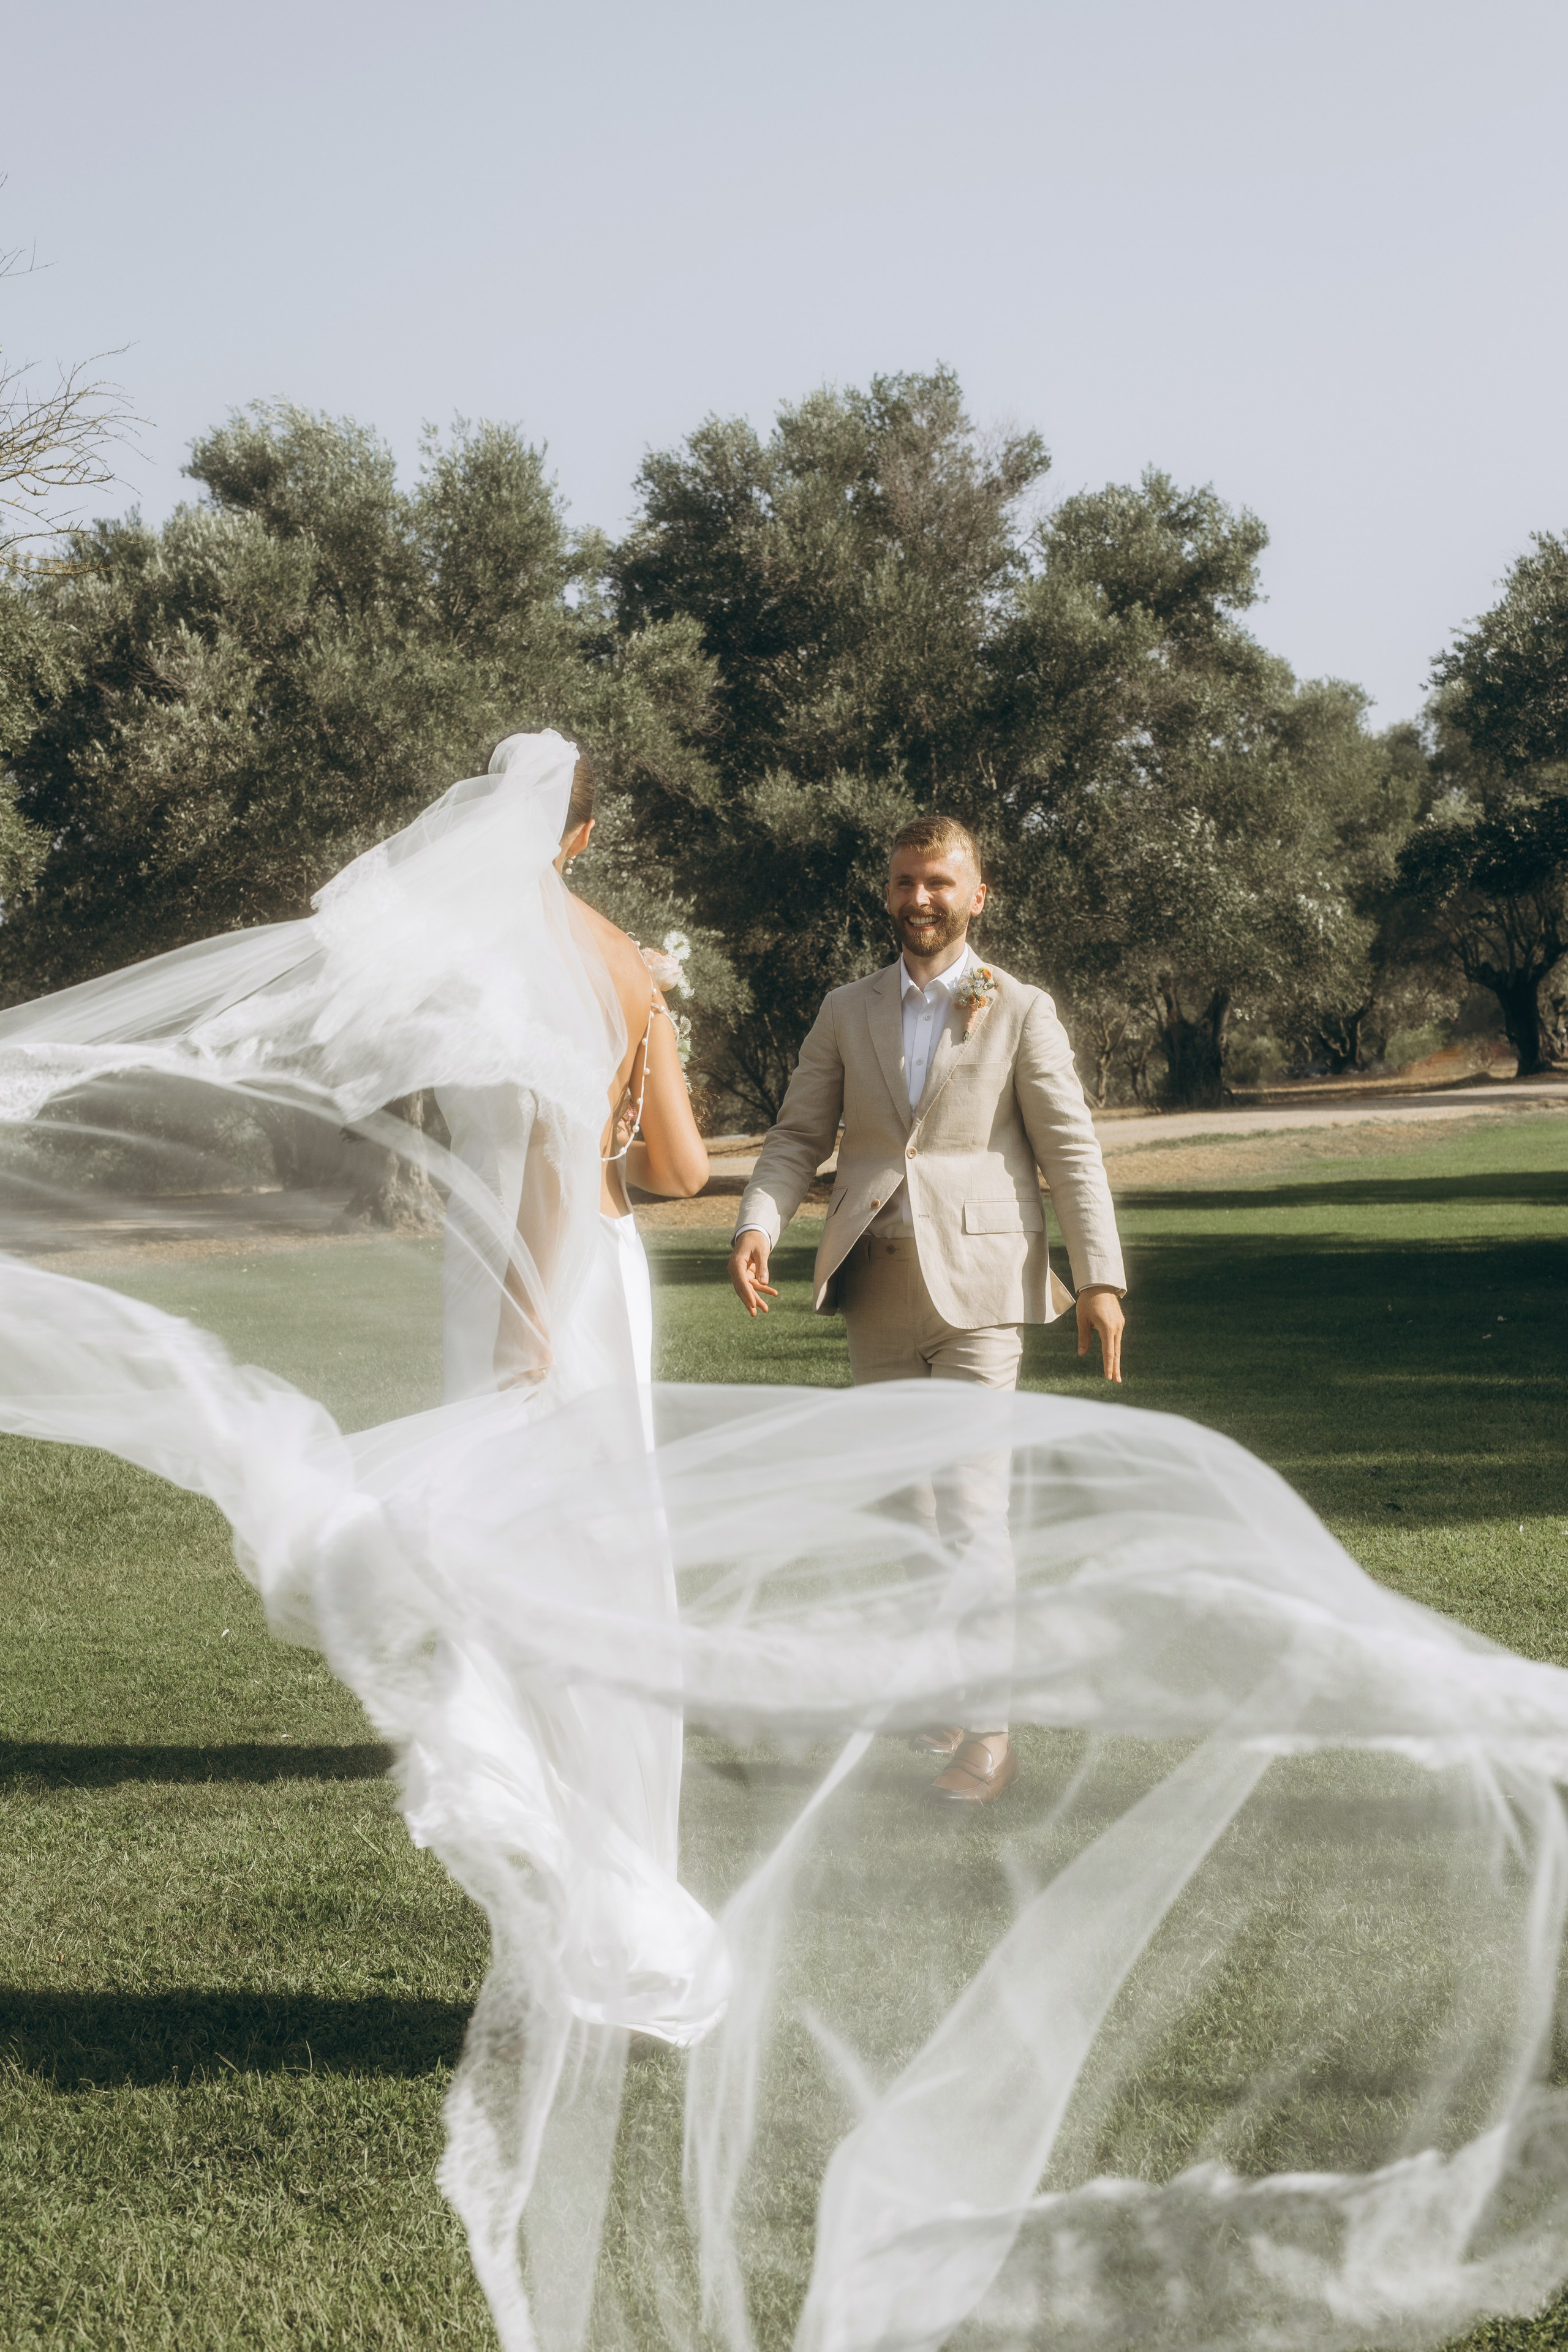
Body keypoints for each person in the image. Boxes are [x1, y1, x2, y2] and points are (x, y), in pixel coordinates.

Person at [727, 812, 1126, 1803]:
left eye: (940, 883)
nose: (921, 900)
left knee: (970, 1509)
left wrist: (1103, 1279)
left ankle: (989, 1734)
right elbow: (795, 1135)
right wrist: (757, 1224)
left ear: (976, 894)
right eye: (906, 882)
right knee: (905, 1512)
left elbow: (1071, 1152)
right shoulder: (843, 1008)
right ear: (887, 890)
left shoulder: (1021, 1009)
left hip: (985, 1289)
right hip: (874, 1282)